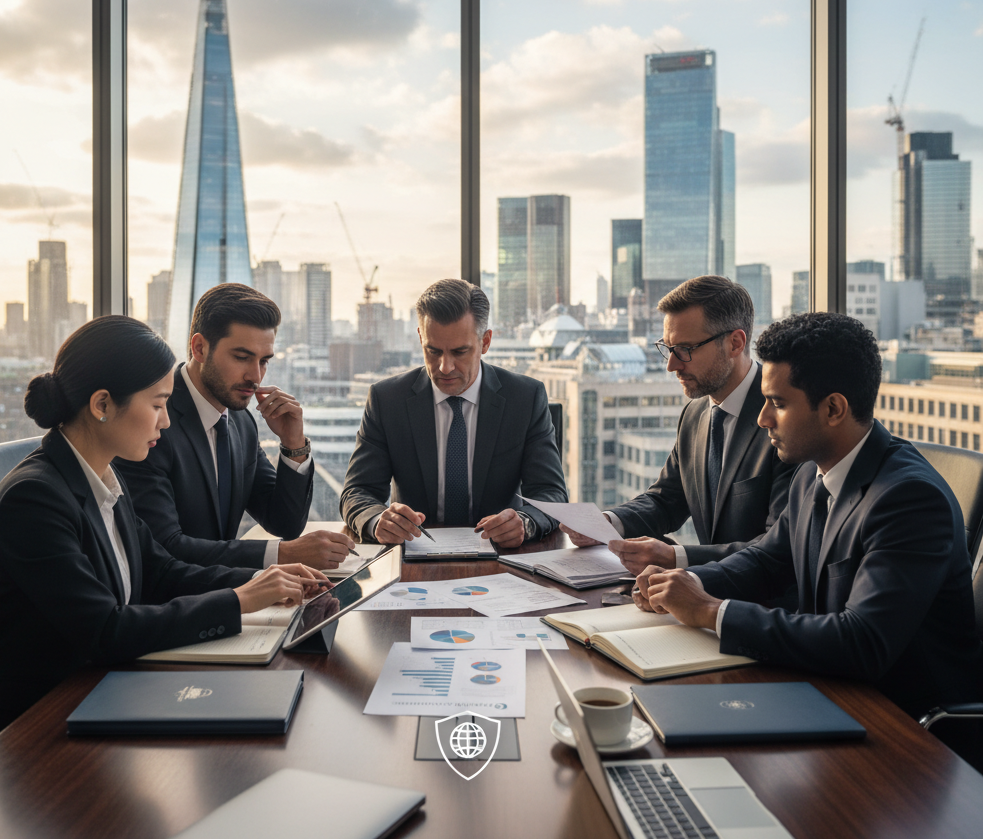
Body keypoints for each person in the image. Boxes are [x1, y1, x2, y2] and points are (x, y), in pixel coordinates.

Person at [0, 316, 328, 740]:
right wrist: (238, 601)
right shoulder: (34, 499)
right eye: (157, 405)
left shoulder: (104, 479)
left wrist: (265, 582)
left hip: (96, 688)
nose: (167, 422)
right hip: (32, 725)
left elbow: (161, 571)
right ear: (101, 405)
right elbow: (105, 631)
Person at [634, 311, 982, 719]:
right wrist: (684, 583)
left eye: (778, 404)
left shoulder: (909, 499)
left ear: (834, 409)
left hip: (907, 729)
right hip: (828, 691)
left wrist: (711, 611)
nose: (762, 419)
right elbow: (767, 559)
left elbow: (861, 641)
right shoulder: (811, 473)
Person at [563, 276, 795, 576]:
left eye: (685, 349)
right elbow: (667, 499)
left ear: (735, 343)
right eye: (667, 348)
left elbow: (777, 547)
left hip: (764, 605)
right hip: (704, 596)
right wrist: (608, 522)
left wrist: (677, 558)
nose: (671, 365)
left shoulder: (784, 419)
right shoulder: (695, 414)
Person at [117, 283, 355, 571]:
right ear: (199, 348)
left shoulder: (241, 422)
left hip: (224, 598)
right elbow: (165, 547)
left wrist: (294, 444)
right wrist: (281, 556)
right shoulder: (153, 421)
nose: (255, 376)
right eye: (242, 357)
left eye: (264, 361)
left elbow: (285, 523)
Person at [340, 278, 568, 547]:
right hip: (414, 554)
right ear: (420, 338)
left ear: (485, 342)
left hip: (502, 556)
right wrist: (378, 521)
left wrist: (524, 522)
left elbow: (551, 493)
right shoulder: (387, 400)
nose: (444, 367)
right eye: (432, 351)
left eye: (460, 352)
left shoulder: (525, 398)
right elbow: (357, 491)